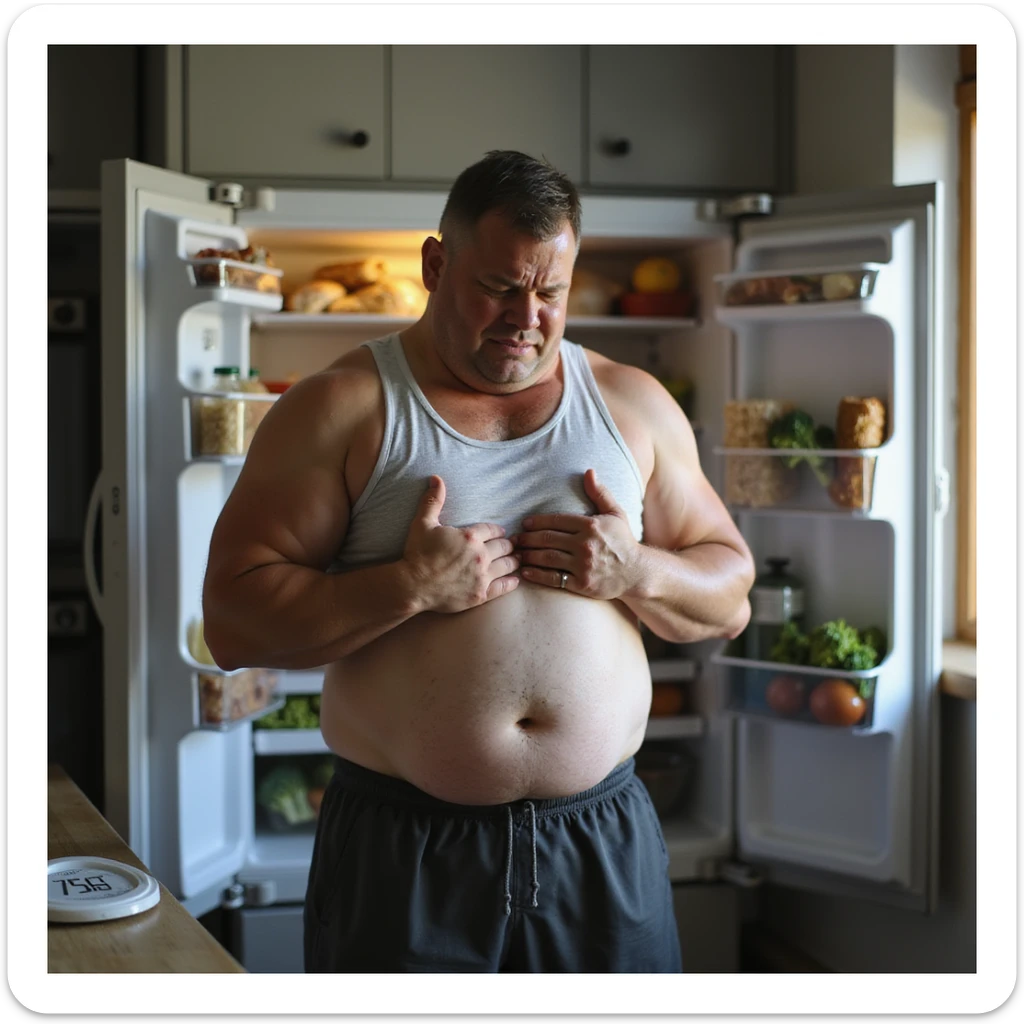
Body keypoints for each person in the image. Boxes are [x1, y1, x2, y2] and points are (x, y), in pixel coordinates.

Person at [202, 150, 755, 973]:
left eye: (550, 292)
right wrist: (406, 587)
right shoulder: (343, 406)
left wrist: (637, 571)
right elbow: (232, 622)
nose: (526, 317)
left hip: (600, 841)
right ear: (436, 263)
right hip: (405, 847)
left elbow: (731, 592)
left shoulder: (632, 403)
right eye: (499, 287)